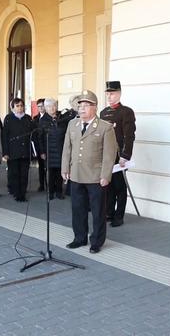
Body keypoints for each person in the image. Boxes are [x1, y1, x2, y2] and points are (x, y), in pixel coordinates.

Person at [61, 90, 118, 254]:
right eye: (80, 105)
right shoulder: (73, 124)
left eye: (86, 105)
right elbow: (67, 148)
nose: (82, 109)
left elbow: (109, 155)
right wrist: (65, 168)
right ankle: (79, 238)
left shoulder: (105, 127)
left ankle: (97, 241)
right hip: (76, 175)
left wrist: (105, 175)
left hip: (95, 177)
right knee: (77, 209)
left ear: (95, 107)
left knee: (98, 211)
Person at [99, 81, 136, 227]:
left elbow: (129, 136)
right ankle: (109, 212)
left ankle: (119, 216)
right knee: (107, 185)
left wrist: (125, 156)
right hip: (106, 156)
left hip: (119, 155)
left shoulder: (126, 112)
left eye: (112, 93)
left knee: (120, 186)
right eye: (107, 93)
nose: (109, 96)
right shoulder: (103, 113)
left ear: (119, 94)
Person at [2, 98, 35, 202]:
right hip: (13, 152)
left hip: (25, 151)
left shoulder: (28, 118)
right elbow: (5, 136)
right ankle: (16, 192)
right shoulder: (9, 118)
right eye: (17, 106)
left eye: (21, 105)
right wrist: (5, 153)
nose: (20, 108)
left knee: (24, 173)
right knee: (14, 173)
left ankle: (22, 193)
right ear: (12, 108)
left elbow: (32, 135)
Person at [38, 99, 66, 200]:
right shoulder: (43, 120)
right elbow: (40, 137)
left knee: (59, 172)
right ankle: (50, 192)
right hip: (48, 150)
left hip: (60, 149)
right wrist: (41, 151)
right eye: (49, 106)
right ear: (46, 108)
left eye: (54, 105)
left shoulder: (62, 117)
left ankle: (59, 191)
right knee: (50, 173)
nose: (52, 108)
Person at [33, 98, 46, 192]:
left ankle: (51, 185)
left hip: (48, 145)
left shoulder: (50, 117)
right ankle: (42, 185)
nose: (40, 108)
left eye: (42, 106)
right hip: (38, 146)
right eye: (39, 106)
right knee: (41, 167)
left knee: (50, 167)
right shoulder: (35, 118)